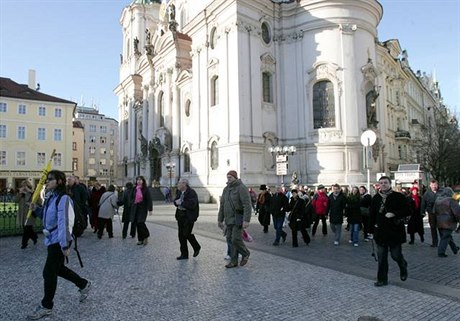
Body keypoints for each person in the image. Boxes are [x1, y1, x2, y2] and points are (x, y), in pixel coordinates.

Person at [27, 170, 91, 320]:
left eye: (50, 179)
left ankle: (46, 306)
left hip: (59, 240)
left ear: (60, 182)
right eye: (47, 179)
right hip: (51, 239)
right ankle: (83, 284)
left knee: (48, 272)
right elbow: (47, 216)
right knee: (58, 269)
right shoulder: (51, 197)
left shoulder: (64, 199)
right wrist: (36, 209)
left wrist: (65, 244)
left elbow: (65, 223)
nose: (47, 182)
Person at [369, 176, 409, 287]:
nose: (383, 184)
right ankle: (382, 279)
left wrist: (394, 213)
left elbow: (407, 210)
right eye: (381, 183)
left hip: (394, 232)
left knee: (395, 255)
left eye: (385, 182)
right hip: (380, 232)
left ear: (390, 184)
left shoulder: (398, 196)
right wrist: (370, 230)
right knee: (381, 257)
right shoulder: (376, 198)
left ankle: (403, 265)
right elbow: (372, 215)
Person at [217, 170, 251, 268]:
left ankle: (245, 253)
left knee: (235, 239)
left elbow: (247, 205)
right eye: (227, 177)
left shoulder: (241, 188)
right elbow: (222, 205)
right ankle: (234, 261)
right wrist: (220, 220)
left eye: (230, 177)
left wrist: (246, 220)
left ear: (235, 177)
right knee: (229, 239)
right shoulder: (226, 189)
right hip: (228, 219)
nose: (228, 179)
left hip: (238, 218)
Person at [173, 178, 201, 260]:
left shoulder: (191, 192)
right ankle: (184, 254)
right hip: (180, 215)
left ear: (184, 184)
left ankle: (196, 247)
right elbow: (175, 200)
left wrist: (181, 202)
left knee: (187, 233)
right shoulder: (179, 191)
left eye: (179, 183)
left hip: (189, 216)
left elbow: (192, 204)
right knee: (181, 235)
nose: (178, 185)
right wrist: (176, 202)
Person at [433, 187, 460, 257]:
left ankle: (455, 249)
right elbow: (457, 212)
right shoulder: (451, 200)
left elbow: (434, 211)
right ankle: (441, 252)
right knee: (445, 237)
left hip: (439, 222)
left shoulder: (437, 200)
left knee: (447, 236)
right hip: (448, 222)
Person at [421, 180, 443, 247]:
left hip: (440, 213)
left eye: (435, 185)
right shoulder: (427, 193)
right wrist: (422, 212)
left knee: (442, 228)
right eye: (432, 185)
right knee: (433, 228)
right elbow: (423, 203)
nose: (434, 186)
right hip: (431, 213)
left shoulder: (441, 192)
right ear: (430, 185)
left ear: (437, 185)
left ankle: (444, 242)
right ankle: (435, 242)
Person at [17, 179, 38, 249]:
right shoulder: (20, 194)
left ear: (28, 186)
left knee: (27, 229)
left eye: (25, 186)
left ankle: (24, 244)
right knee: (28, 229)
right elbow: (15, 200)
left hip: (29, 214)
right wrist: (20, 193)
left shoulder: (32, 193)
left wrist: (28, 192)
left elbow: (38, 201)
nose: (23, 188)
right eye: (22, 186)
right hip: (22, 214)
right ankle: (34, 237)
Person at [132, 176, 153, 245]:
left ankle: (146, 235)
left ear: (143, 181)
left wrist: (150, 209)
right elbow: (132, 198)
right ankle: (140, 239)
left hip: (143, 209)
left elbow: (149, 199)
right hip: (136, 208)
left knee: (141, 223)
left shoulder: (145, 189)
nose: (139, 181)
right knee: (137, 224)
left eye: (140, 180)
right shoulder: (134, 189)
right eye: (137, 180)